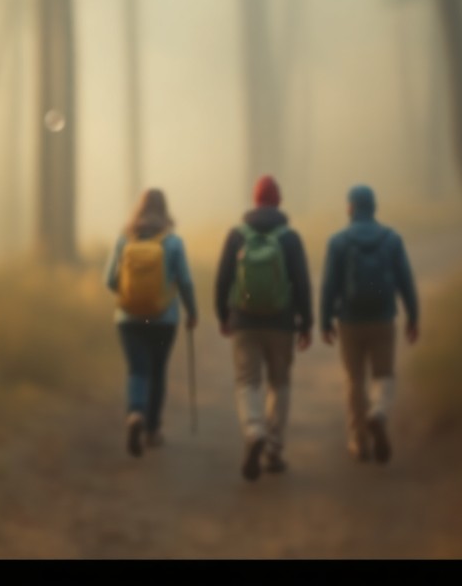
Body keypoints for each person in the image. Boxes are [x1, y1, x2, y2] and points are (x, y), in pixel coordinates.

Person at [214, 174, 314, 481]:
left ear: (255, 200)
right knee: (279, 383)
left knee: (247, 381)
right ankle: (273, 450)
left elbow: (222, 279)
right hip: (281, 324)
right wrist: (306, 322)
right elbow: (301, 282)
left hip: (243, 322)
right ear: (278, 201)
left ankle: (254, 429)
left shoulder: (236, 235)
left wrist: (223, 316)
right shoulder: (290, 238)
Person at [319, 184, 420, 465]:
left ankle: (359, 441)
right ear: (374, 207)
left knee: (354, 380)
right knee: (384, 375)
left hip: (350, 321)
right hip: (383, 319)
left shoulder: (338, 242)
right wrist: (413, 316)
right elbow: (406, 281)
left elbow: (329, 286)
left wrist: (325, 321)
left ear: (350, 207)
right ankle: (379, 413)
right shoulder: (391, 239)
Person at [105, 188, 198, 458]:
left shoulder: (124, 240)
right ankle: (152, 430)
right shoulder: (173, 242)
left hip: (129, 319)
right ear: (164, 210)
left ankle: (135, 413)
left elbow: (109, 280)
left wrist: (130, 295)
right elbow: (186, 282)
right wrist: (192, 312)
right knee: (157, 371)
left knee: (137, 369)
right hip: (163, 320)